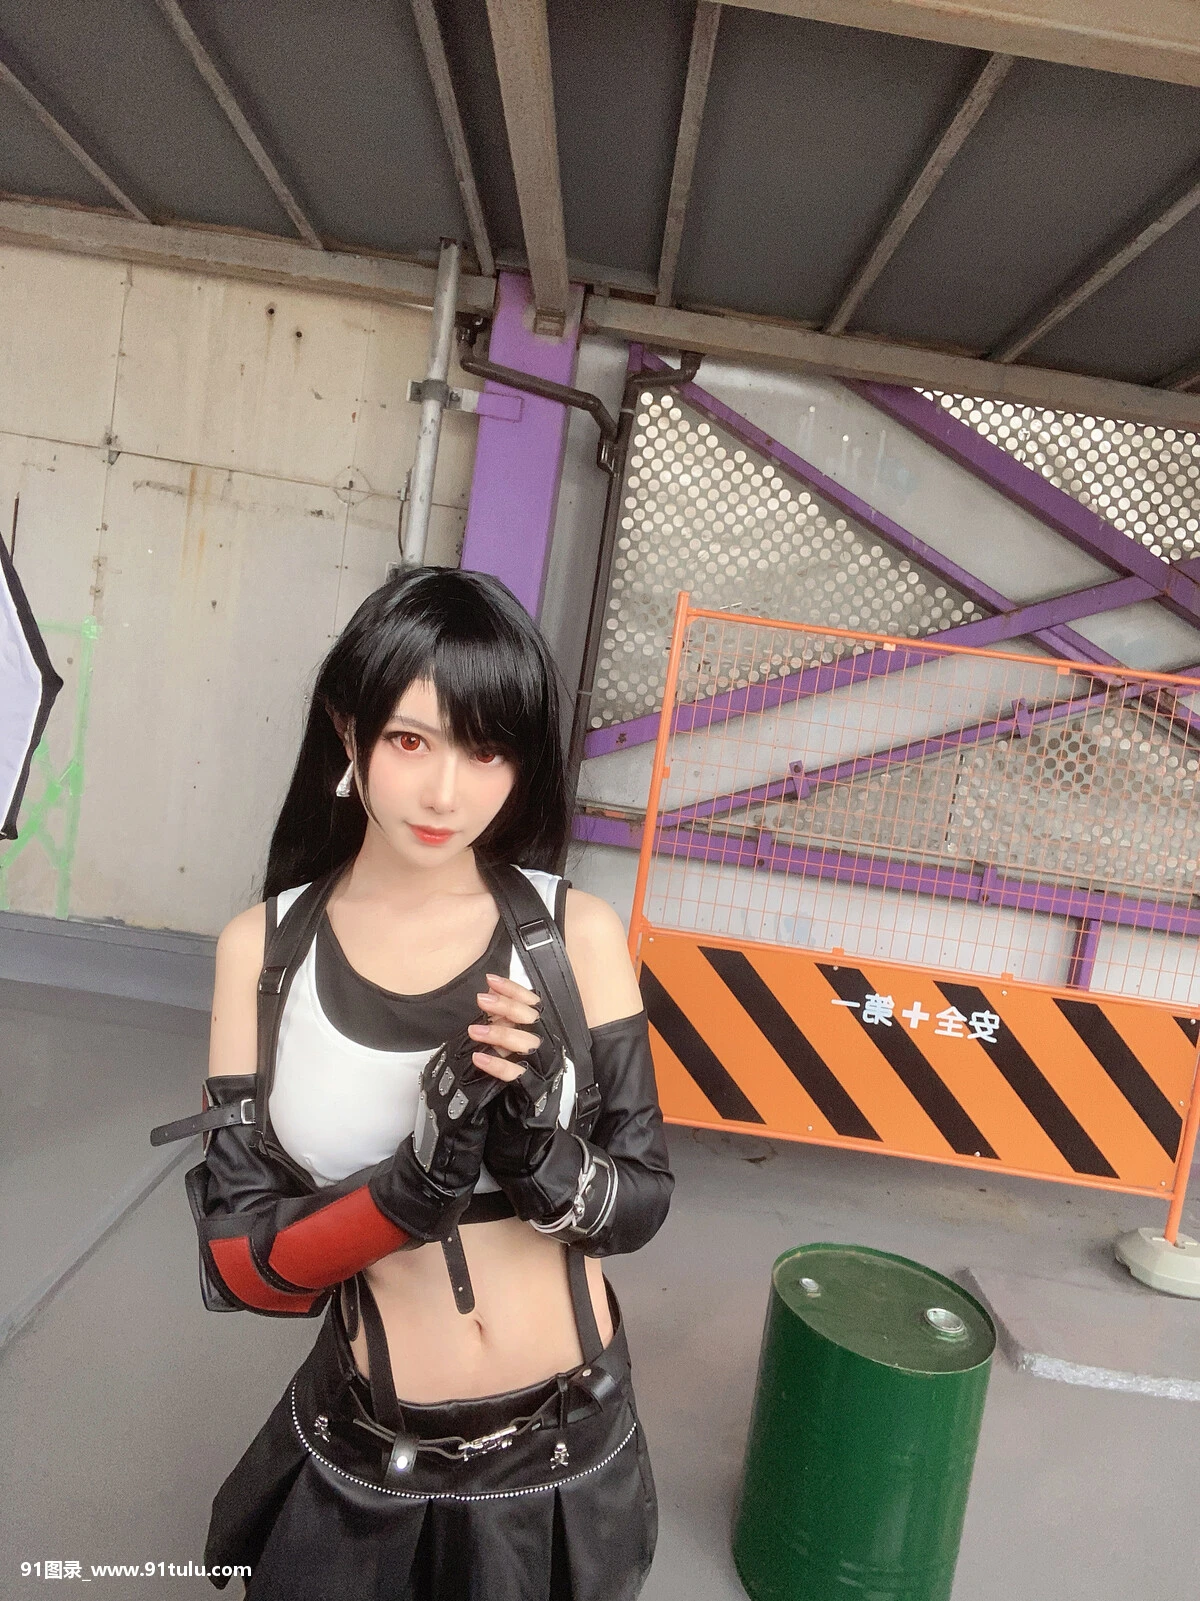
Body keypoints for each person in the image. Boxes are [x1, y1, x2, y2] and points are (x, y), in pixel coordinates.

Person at [186, 567, 674, 1600]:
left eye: (485, 749)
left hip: (569, 1452)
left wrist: (537, 1152)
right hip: (372, 1454)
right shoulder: (261, 954)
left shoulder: (573, 935)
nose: (448, 793)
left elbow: (641, 1198)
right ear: (348, 728)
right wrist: (410, 1188)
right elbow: (239, 1262)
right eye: (412, 741)